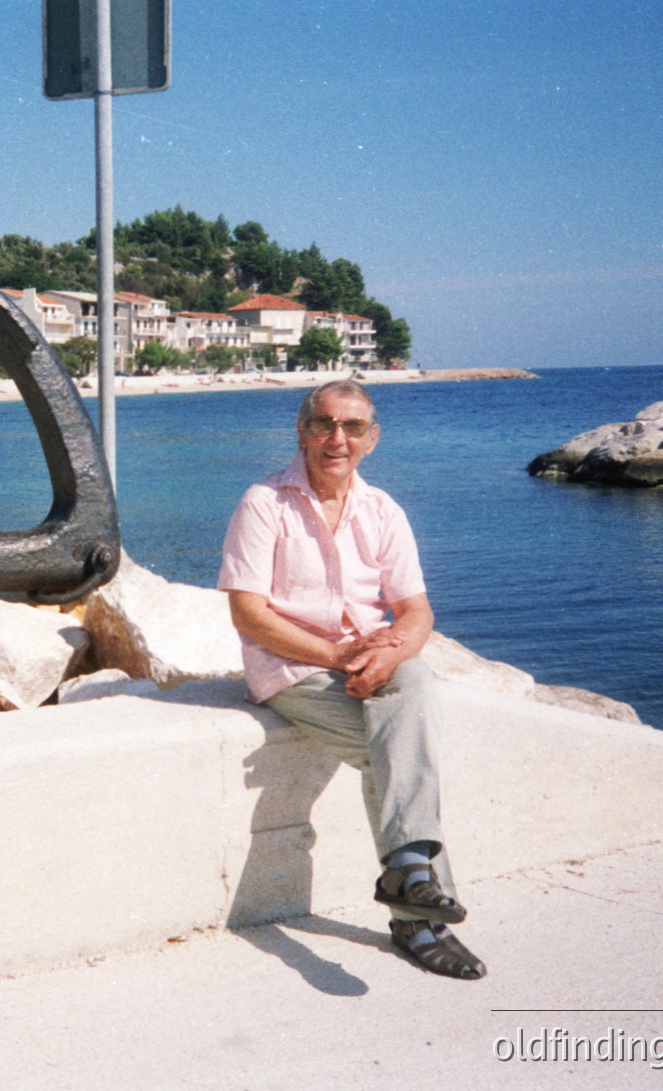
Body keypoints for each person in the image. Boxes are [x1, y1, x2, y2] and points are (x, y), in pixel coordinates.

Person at [218, 379, 485, 979]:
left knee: (413, 683)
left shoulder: (383, 510)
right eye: (323, 424)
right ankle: (417, 917)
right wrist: (339, 658)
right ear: (302, 431)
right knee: (397, 750)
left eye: (352, 428)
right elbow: (248, 614)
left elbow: (417, 611)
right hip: (292, 667)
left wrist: (388, 656)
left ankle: (408, 875)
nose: (336, 439)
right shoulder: (264, 503)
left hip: (368, 662)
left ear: (372, 440)